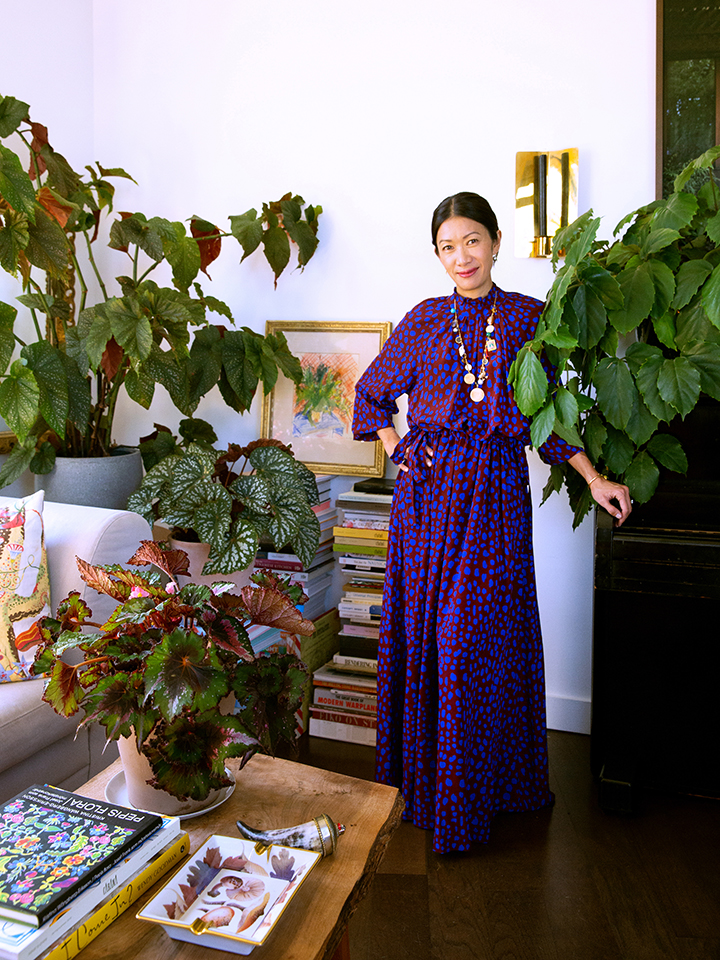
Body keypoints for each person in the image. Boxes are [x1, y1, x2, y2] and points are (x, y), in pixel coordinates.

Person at [351, 192, 631, 855]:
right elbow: (367, 397)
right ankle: (426, 788)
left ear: (497, 242)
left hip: (496, 497)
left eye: (471, 241)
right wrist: (402, 451)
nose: (461, 256)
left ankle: (483, 791)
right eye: (447, 246)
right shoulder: (422, 322)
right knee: (430, 640)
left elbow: (550, 421)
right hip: (425, 503)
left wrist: (595, 479)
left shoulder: (531, 320)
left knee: (473, 642)